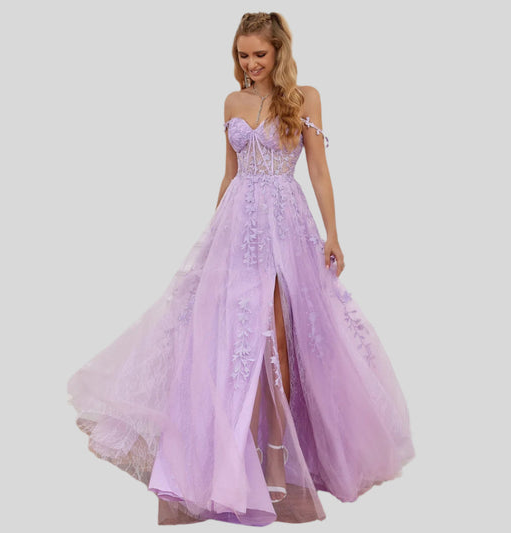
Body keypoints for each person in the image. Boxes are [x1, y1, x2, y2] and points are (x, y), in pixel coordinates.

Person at [67, 11, 415, 527]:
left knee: (279, 339)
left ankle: (276, 455)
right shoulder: (232, 102)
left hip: (285, 226)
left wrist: (333, 233)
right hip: (237, 228)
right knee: (231, 339)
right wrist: (212, 239)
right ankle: (233, 457)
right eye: (242, 55)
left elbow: (319, 170)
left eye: (260, 54)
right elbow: (229, 175)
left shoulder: (305, 98)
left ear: (279, 52)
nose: (250, 64)